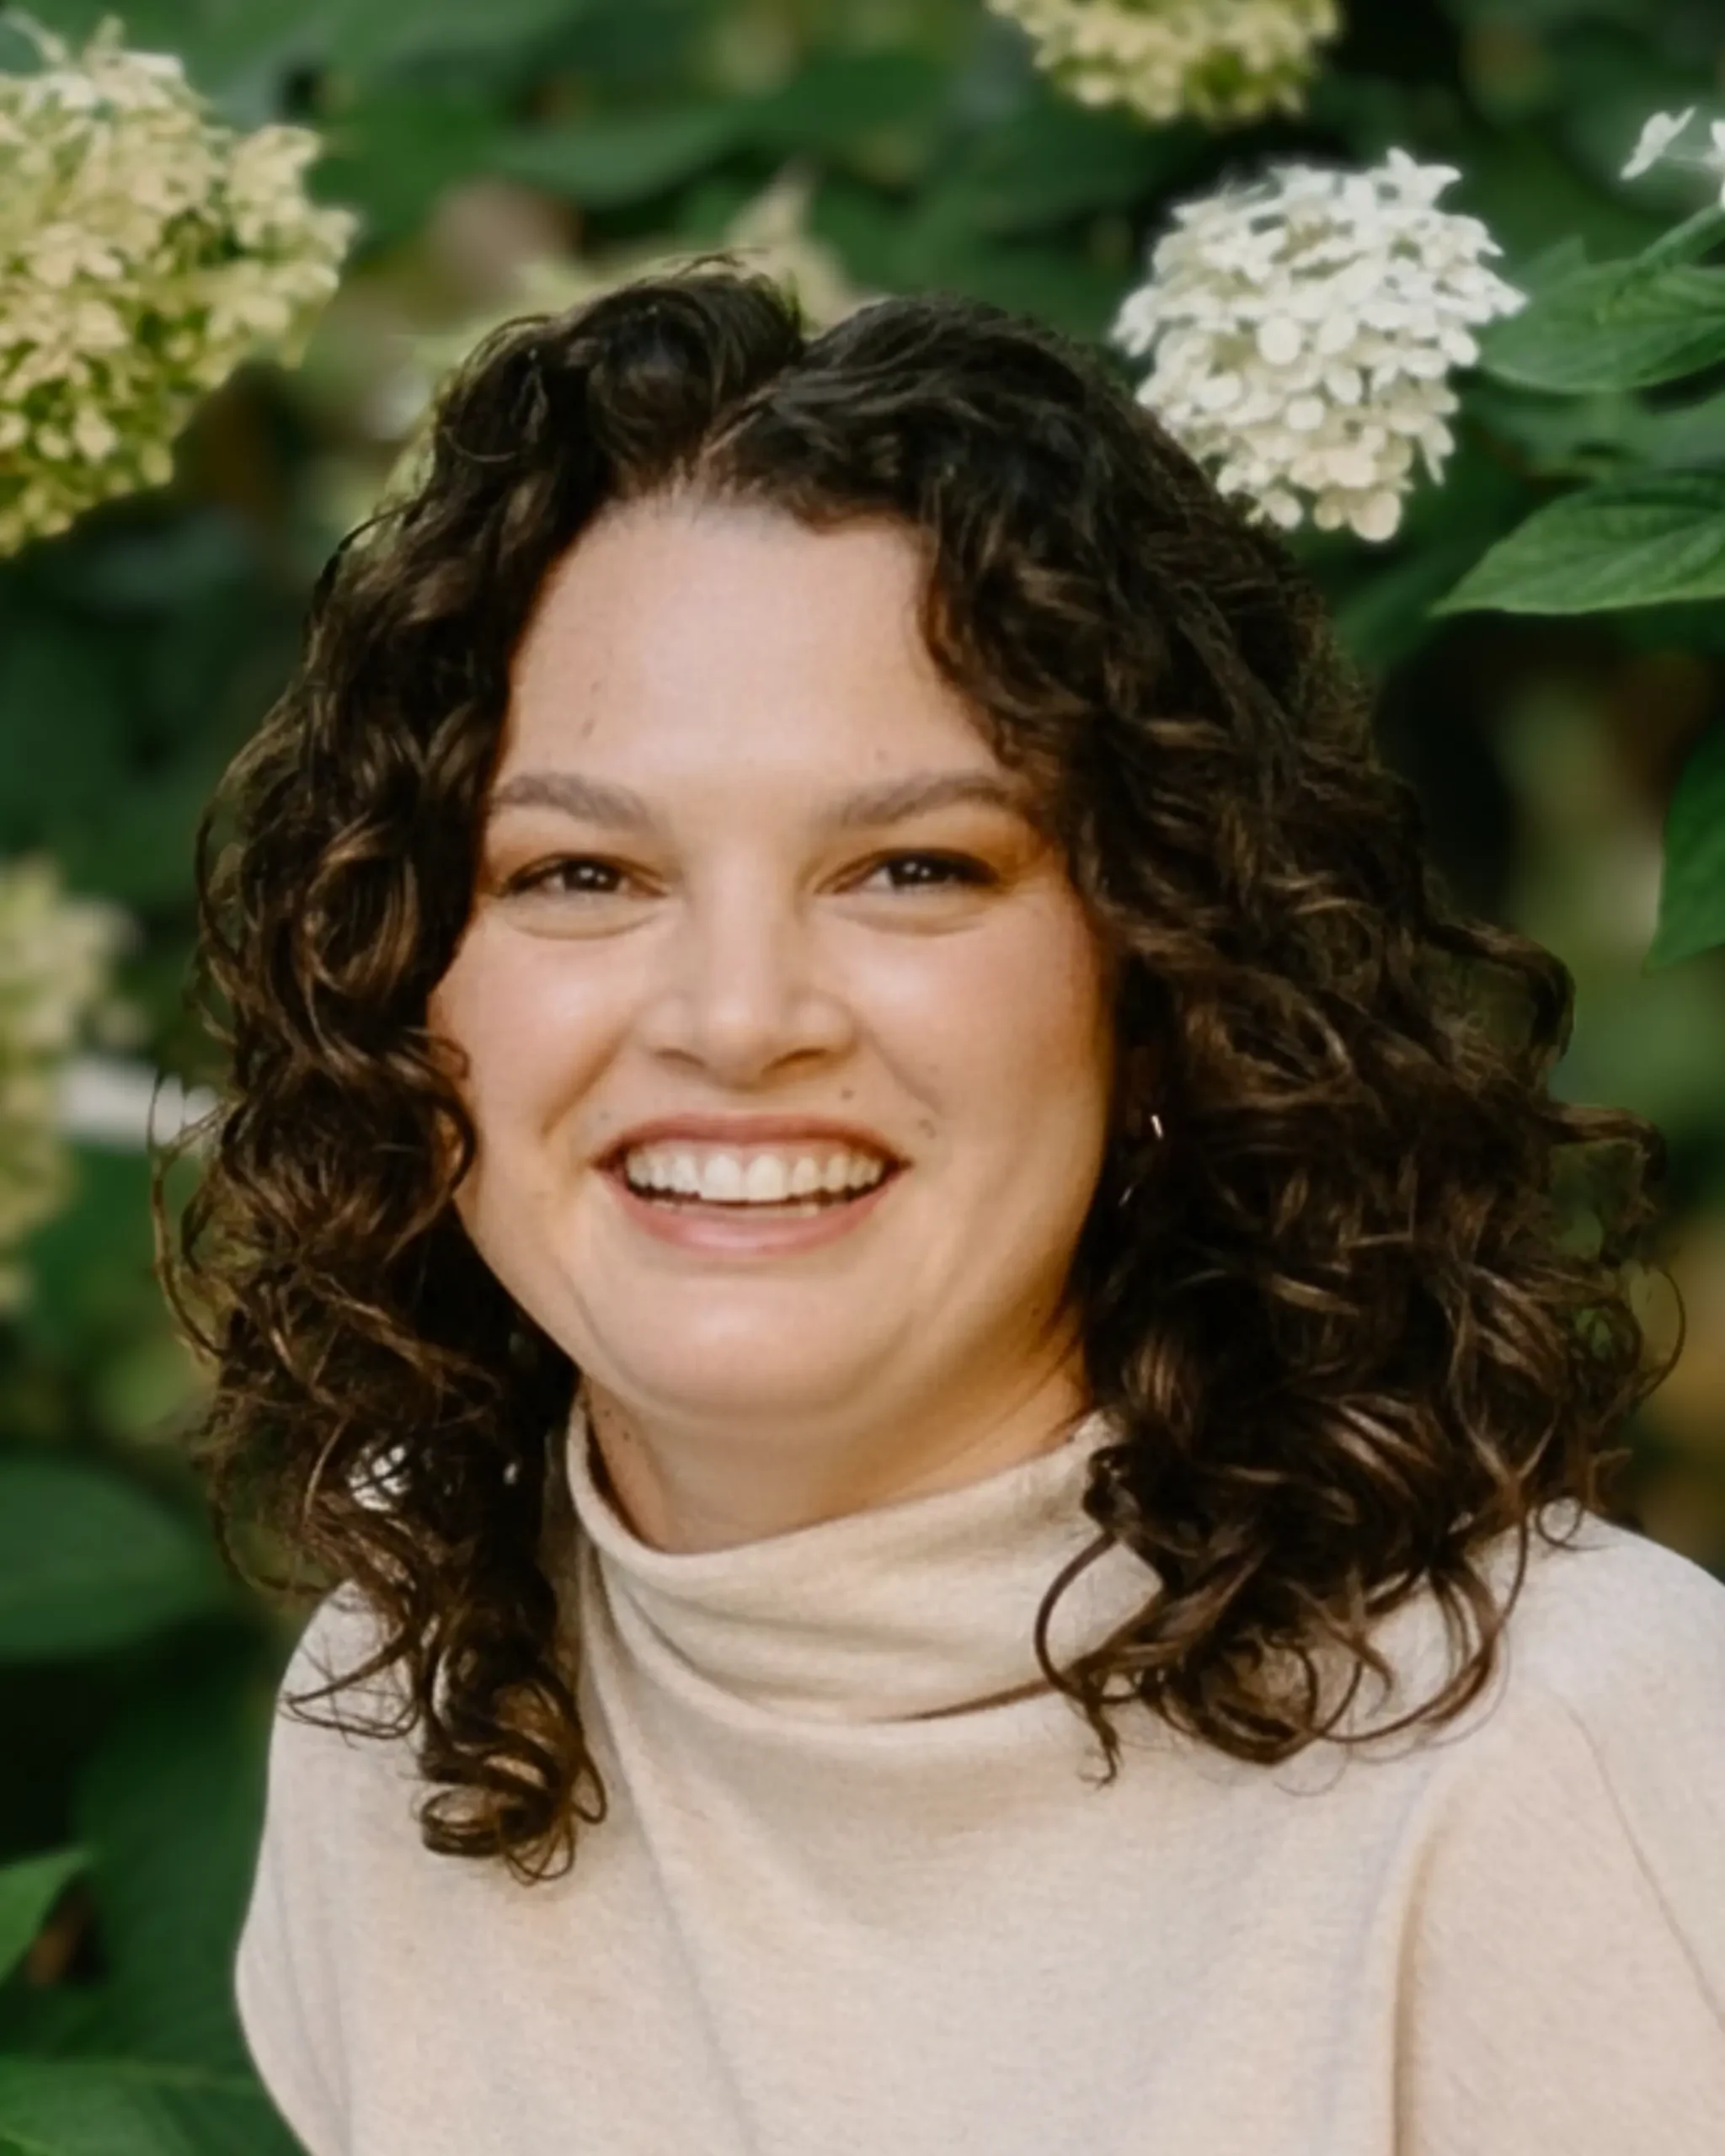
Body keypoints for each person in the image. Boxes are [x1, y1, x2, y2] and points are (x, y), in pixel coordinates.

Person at [155, 260, 1725, 2155]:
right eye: (579, 870)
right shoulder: (397, 1697)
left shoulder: (1551, 1753)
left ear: (1157, 974)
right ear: (410, 983)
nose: (738, 1018)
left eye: (910, 866)